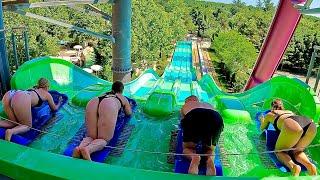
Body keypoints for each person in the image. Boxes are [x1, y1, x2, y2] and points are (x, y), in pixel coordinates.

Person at [73, 81, 132, 161]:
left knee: (90, 136)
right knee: (103, 139)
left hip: (93, 102)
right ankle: (88, 149)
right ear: (122, 90)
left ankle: (80, 148)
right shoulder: (122, 97)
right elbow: (129, 113)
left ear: (112, 88)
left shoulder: (105, 93)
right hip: (109, 105)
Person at [260, 99, 317, 176]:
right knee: (297, 151)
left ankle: (294, 167)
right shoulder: (290, 112)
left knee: (280, 151)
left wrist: (262, 120)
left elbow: (262, 128)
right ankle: (309, 165)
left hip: (293, 124)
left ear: (272, 107)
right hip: (310, 124)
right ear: (282, 107)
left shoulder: (270, 114)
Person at [180, 95, 224, 176]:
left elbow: (182, 123)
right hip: (216, 117)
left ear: (188, 101)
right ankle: (210, 159)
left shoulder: (186, 105)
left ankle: (194, 157)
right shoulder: (208, 104)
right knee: (209, 149)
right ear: (197, 100)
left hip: (194, 115)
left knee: (188, 148)